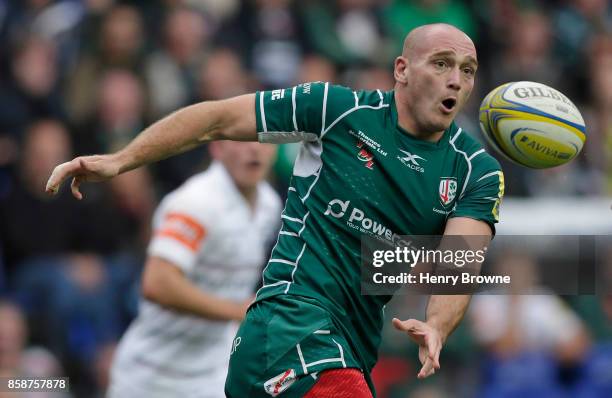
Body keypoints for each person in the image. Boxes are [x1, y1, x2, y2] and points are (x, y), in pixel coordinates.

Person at [46, 23, 504, 397]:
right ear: (401, 69)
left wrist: (438, 325)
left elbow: (457, 264)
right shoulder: (337, 111)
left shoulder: (475, 171)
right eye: (441, 64)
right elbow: (215, 120)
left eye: (467, 70)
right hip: (289, 325)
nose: (455, 80)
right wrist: (120, 159)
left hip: (348, 348)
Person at [106, 140, 281, 398]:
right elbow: (157, 283)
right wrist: (238, 311)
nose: (253, 149)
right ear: (217, 146)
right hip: (151, 376)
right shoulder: (195, 201)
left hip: (215, 374)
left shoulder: (269, 204)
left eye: (262, 140)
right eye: (241, 140)